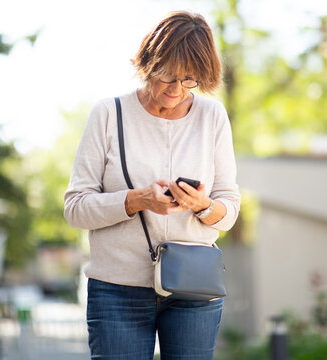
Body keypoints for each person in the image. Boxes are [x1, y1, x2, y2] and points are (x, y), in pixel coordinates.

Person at [64, 11, 240, 360]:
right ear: (149, 63)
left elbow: (229, 209)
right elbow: (75, 208)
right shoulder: (108, 114)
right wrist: (137, 199)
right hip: (117, 290)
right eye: (167, 77)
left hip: (194, 286)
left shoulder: (213, 116)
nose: (176, 91)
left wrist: (202, 205)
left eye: (189, 80)